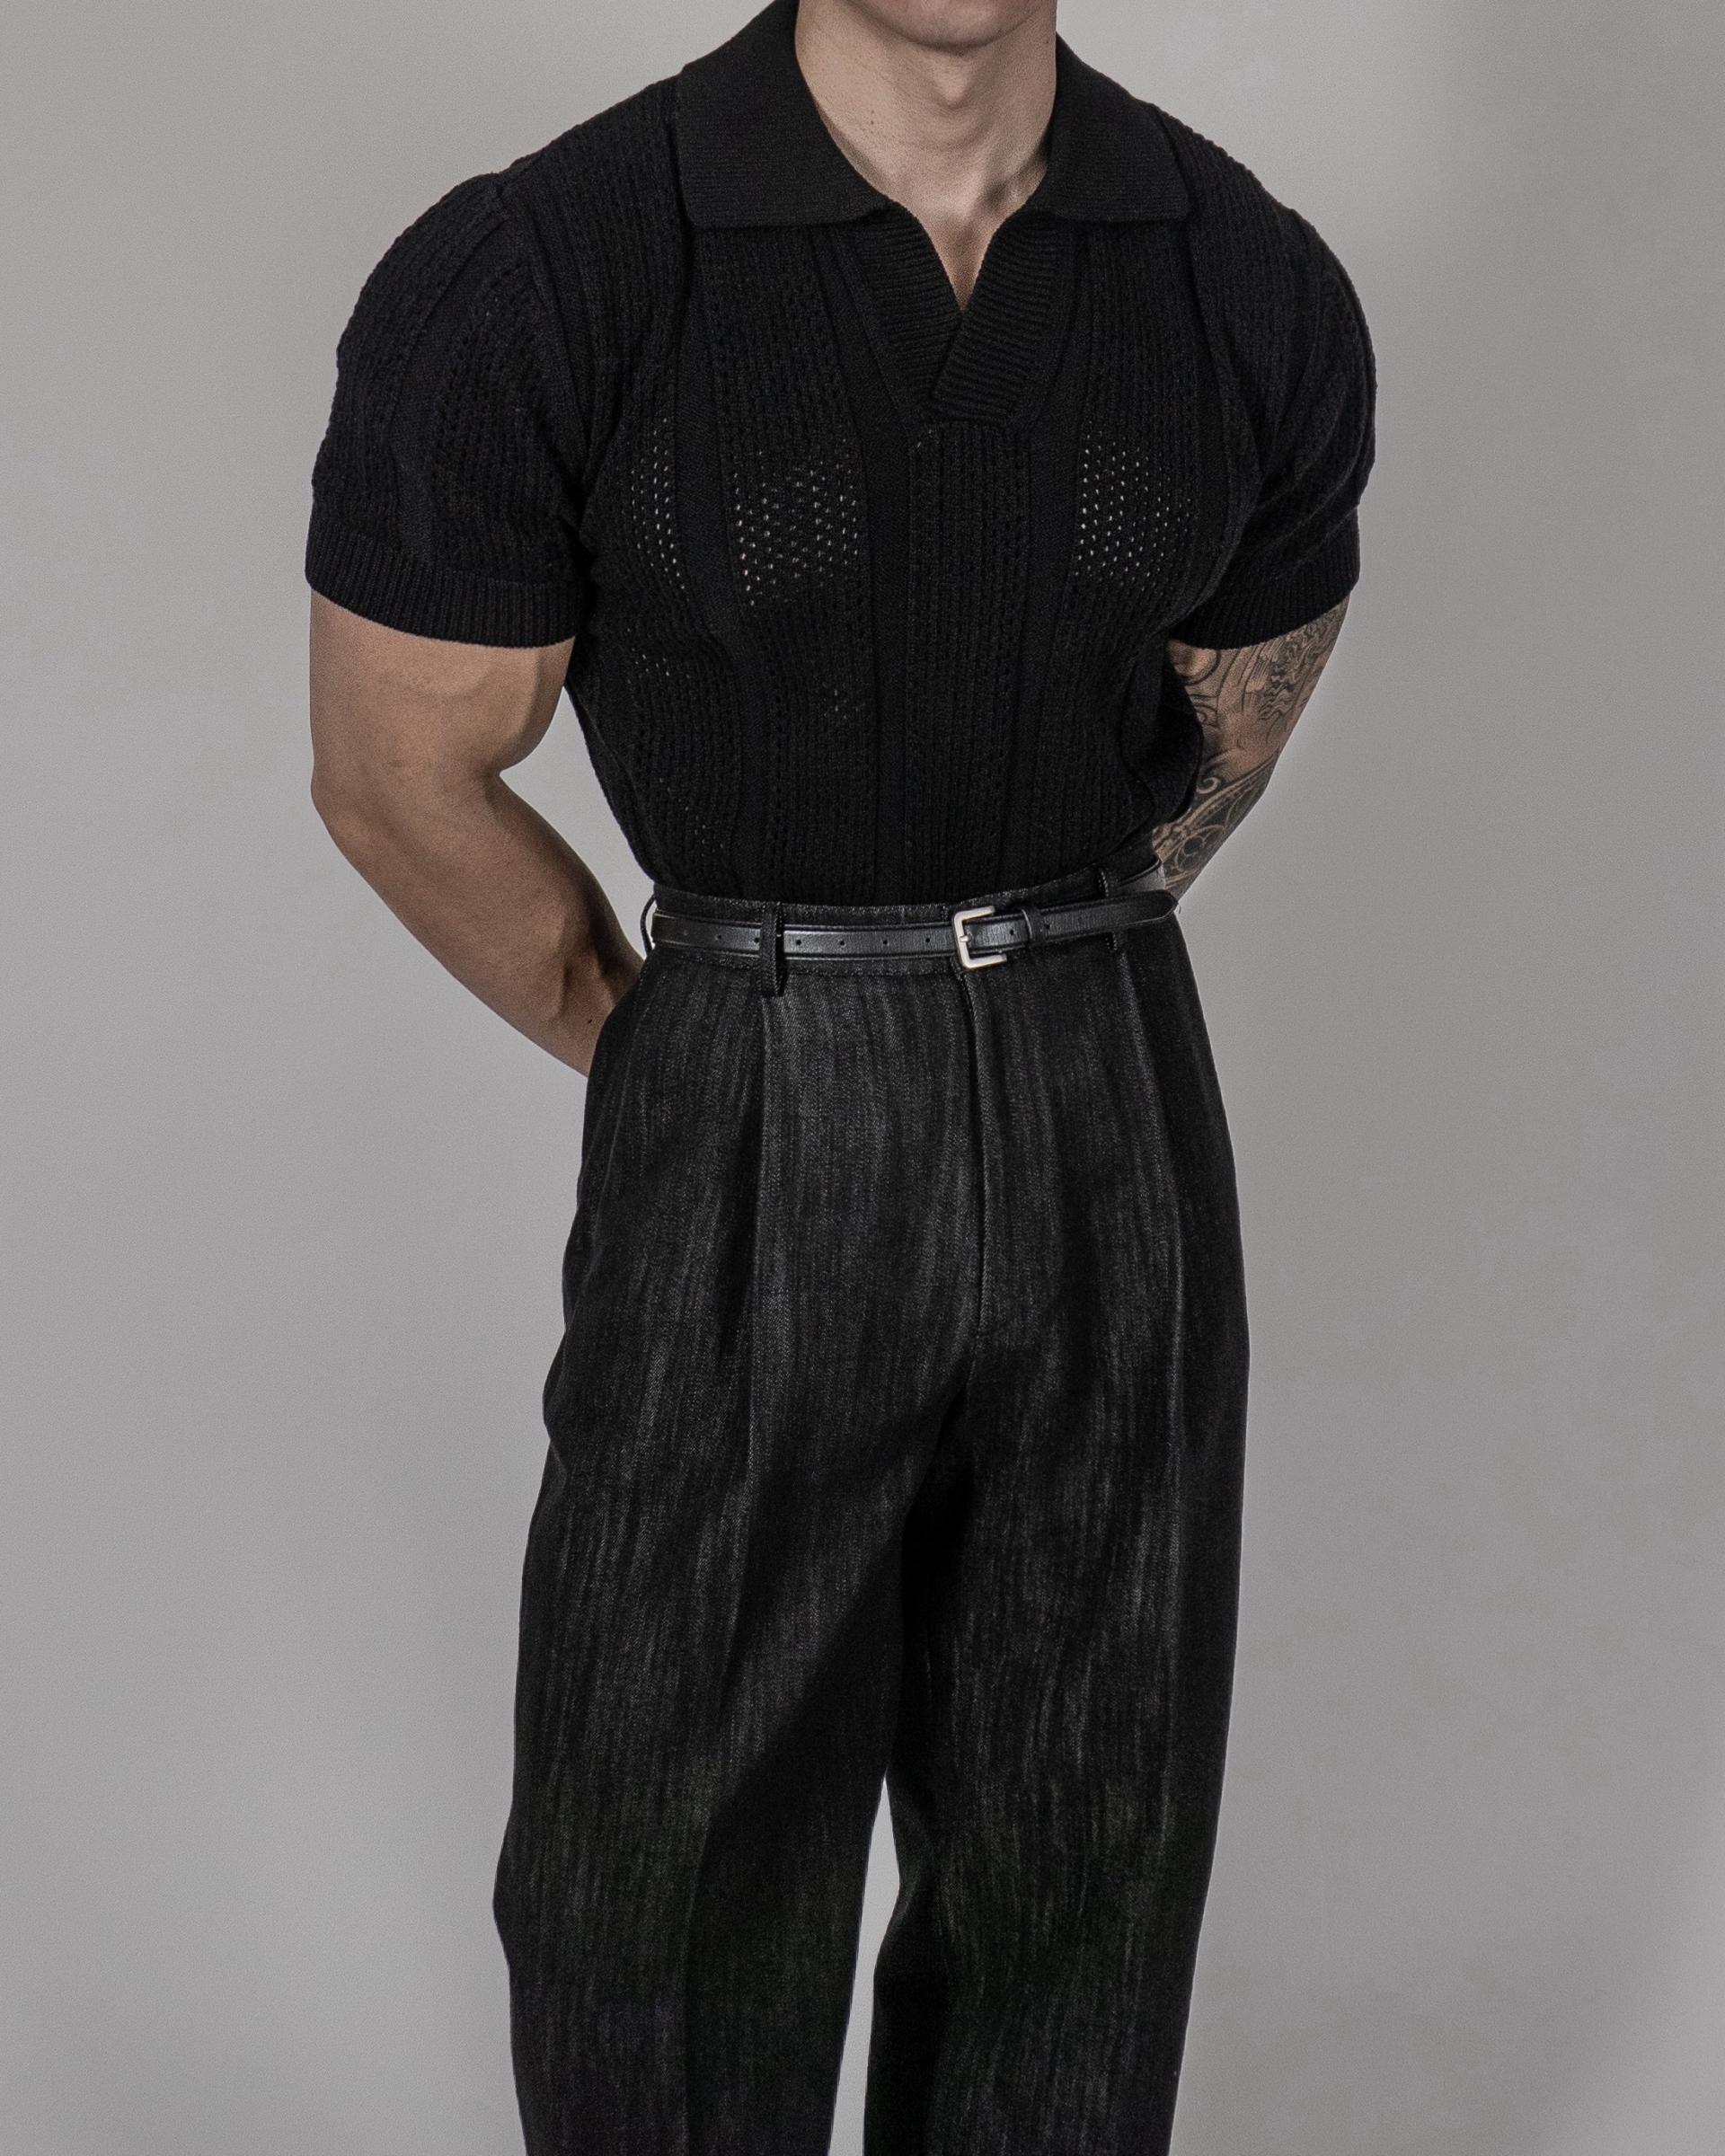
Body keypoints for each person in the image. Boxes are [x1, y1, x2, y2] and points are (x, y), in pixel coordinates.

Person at [303, 0, 1376, 2146]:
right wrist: (698, 1055)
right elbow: (394, 769)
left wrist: (1025, 981)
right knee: (661, 1864)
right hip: (753, 1054)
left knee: (1085, 1844)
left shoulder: (1242, 270)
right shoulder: (553, 265)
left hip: (1110, 1076)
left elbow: (1235, 722)